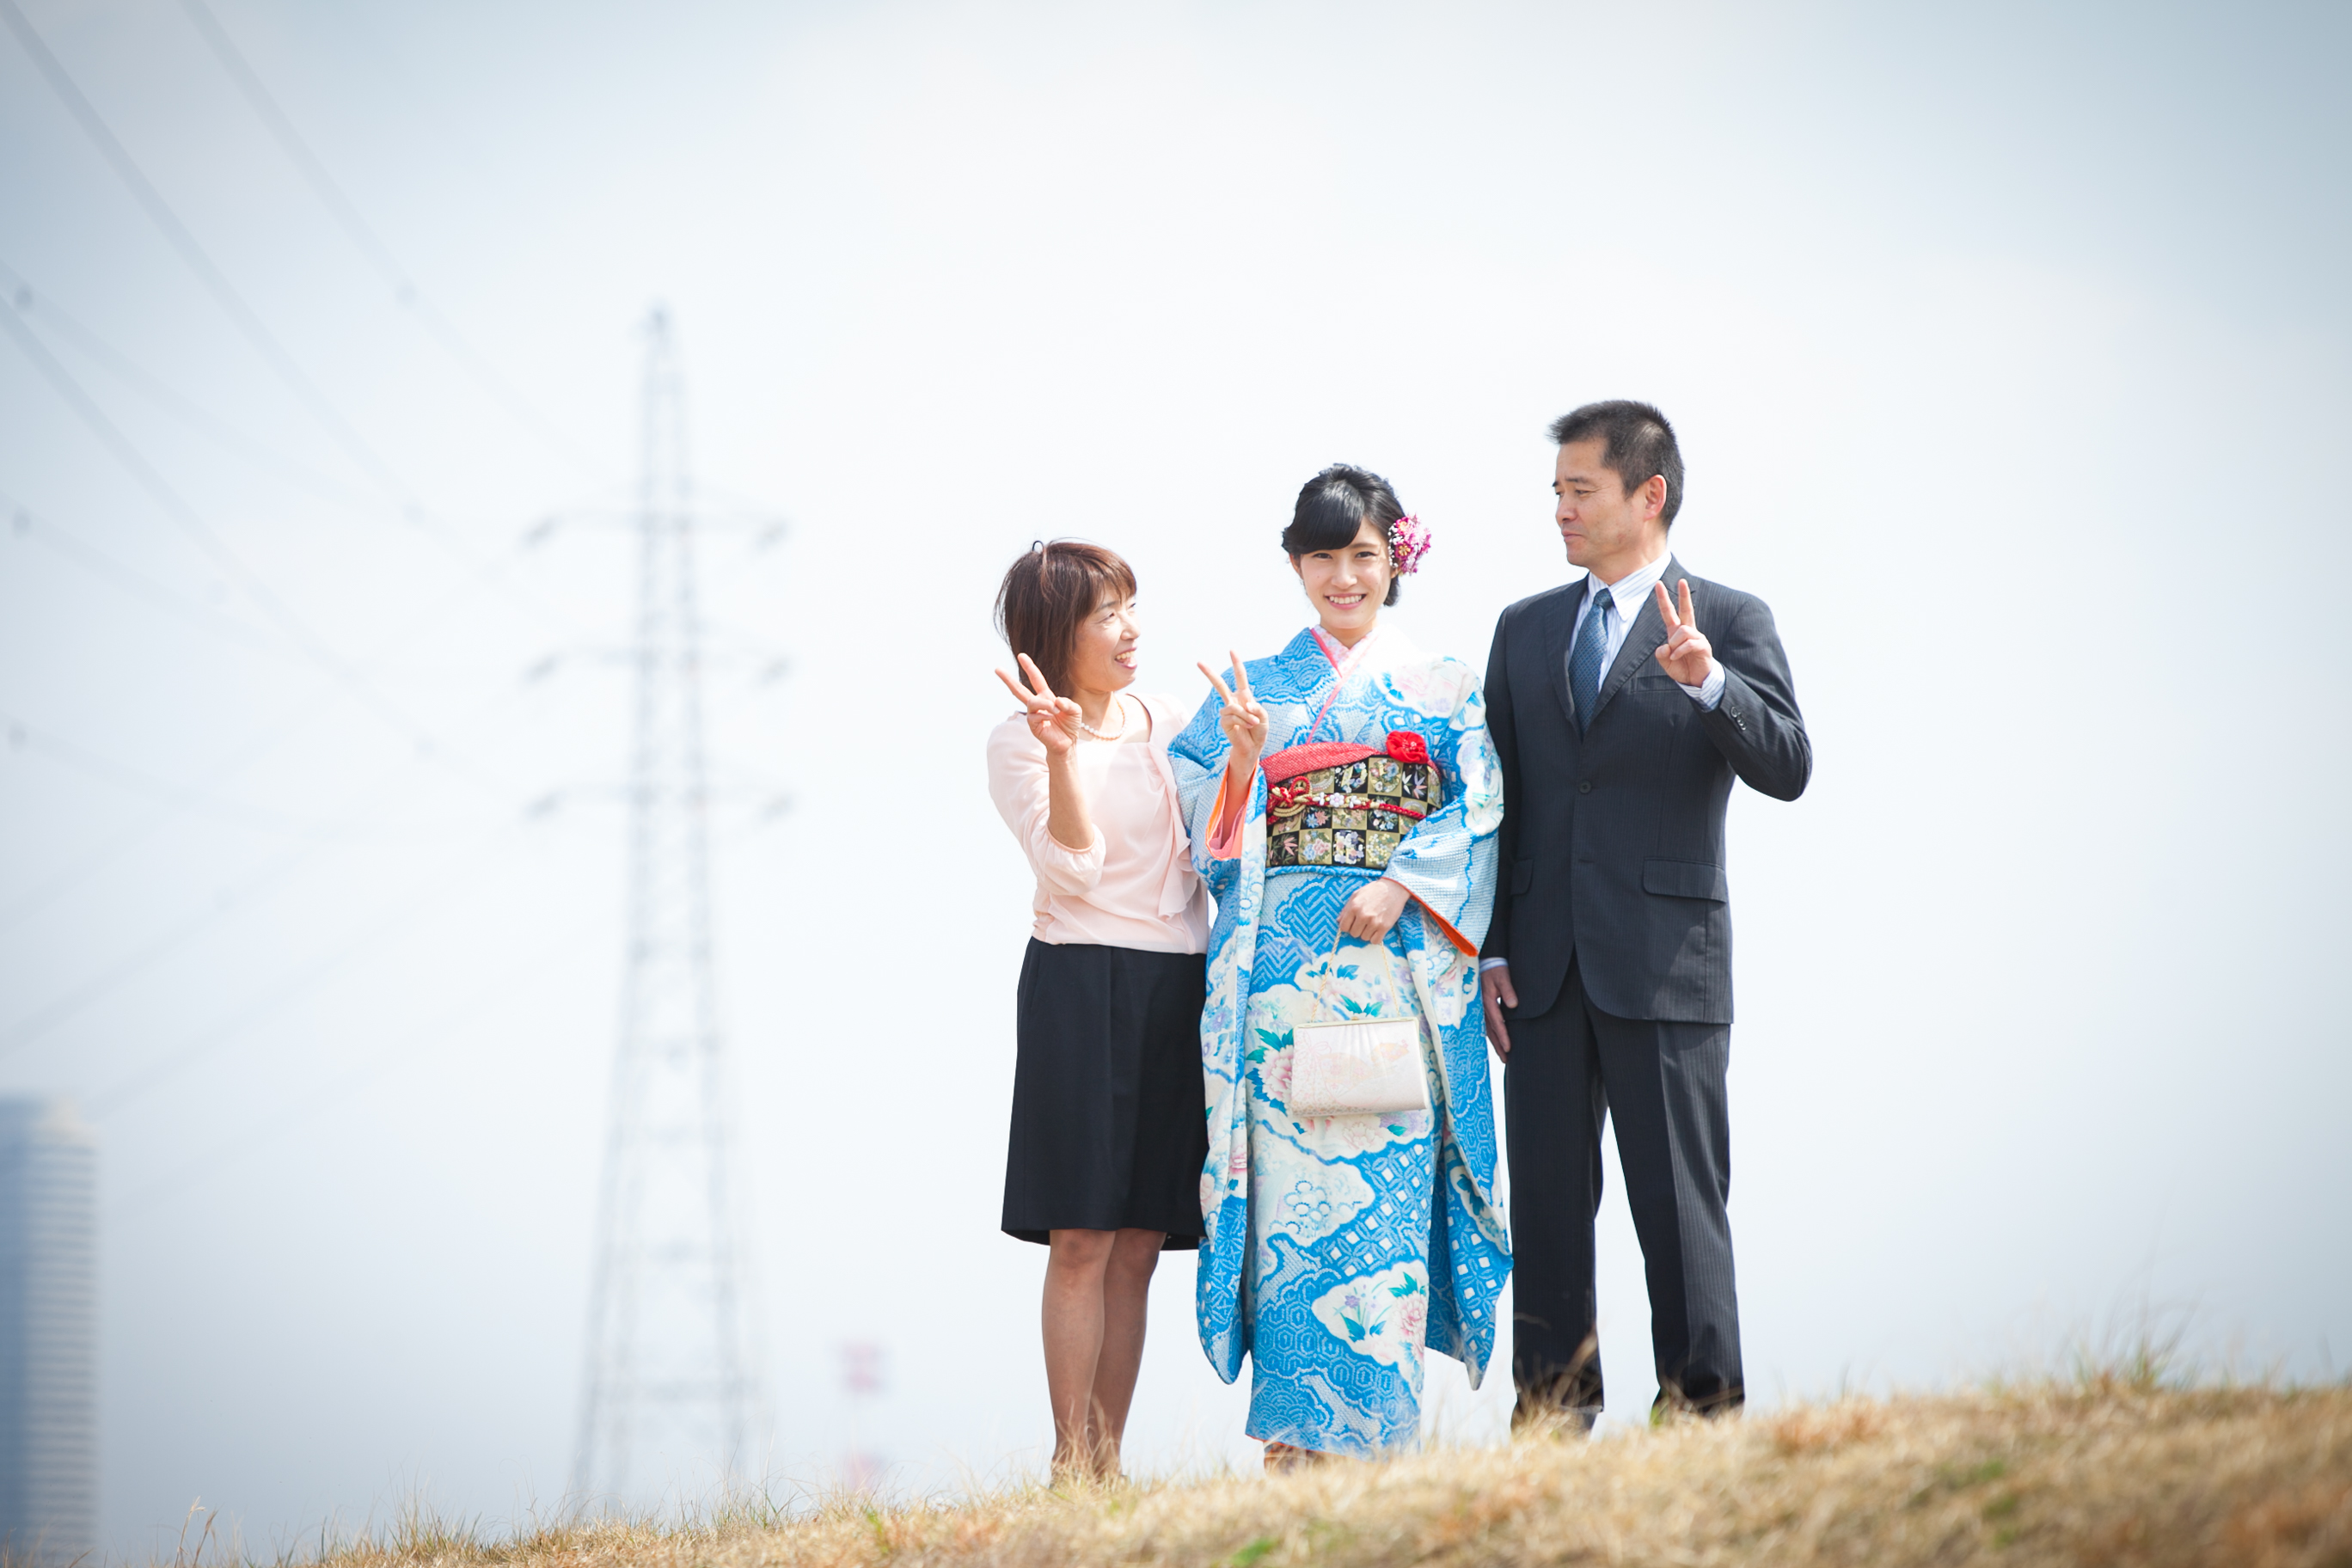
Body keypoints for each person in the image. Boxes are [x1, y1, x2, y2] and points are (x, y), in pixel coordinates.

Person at [1479, 401, 1810, 1427]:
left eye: (1581, 490)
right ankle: (1551, 1418)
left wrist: (1711, 685)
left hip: (1668, 965)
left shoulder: (1731, 619)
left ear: (1648, 494)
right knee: (1546, 1208)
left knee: (1679, 1206)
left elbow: (1789, 766)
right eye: (1557, 492)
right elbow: (1501, 800)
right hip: (1540, 971)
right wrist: (1491, 948)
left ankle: (1703, 1413)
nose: (1562, 510)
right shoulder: (1525, 628)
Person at [1171, 465, 1509, 1469]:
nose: (1343, 577)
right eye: (1322, 556)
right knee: (1292, 1213)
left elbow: (1480, 809)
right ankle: (1292, 1448)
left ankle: (1378, 1447)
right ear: (1295, 564)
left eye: (1363, 555)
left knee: (1380, 1218)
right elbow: (1198, 819)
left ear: (1394, 559)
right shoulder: (1254, 691)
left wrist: (1403, 884)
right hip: (1282, 987)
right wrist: (1243, 761)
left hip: (1394, 978)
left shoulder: (1444, 686)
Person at [988, 540, 1212, 1479]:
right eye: (1106, 615)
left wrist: (1243, 759)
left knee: (1141, 1242)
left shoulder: (1174, 721)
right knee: (1080, 1234)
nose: (1130, 631)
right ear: (1057, 635)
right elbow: (1072, 869)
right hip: (1078, 986)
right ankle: (1067, 1458)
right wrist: (1061, 753)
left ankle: (1106, 1463)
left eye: (1130, 608)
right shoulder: (1017, 742)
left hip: (1178, 982)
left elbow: (1220, 847)